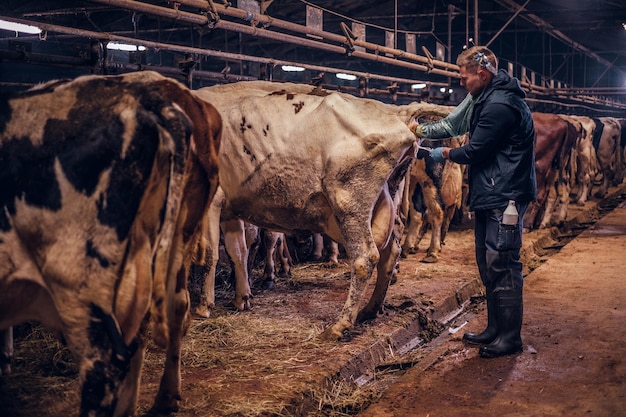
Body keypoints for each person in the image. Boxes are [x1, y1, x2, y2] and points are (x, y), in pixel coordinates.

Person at [408, 45, 536, 358]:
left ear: (482, 73)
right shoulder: (485, 95)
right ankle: (495, 328)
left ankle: (510, 337)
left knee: (503, 263)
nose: (461, 83)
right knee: (487, 261)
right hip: (491, 192)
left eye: (464, 77)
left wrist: (442, 152)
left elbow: (475, 151)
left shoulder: (500, 105)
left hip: (504, 197)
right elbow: (457, 124)